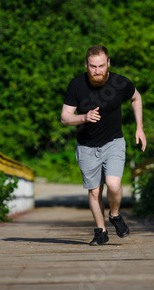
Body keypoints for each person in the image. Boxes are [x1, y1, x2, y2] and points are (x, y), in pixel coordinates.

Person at [61, 45, 146, 246]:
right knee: (94, 191)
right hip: (87, 146)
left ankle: (115, 215)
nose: (97, 71)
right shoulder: (76, 85)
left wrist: (139, 127)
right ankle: (101, 232)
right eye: (92, 67)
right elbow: (65, 117)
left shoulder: (119, 82)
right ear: (86, 65)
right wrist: (83, 117)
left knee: (114, 185)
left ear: (108, 63)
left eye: (101, 66)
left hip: (113, 142)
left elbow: (136, 97)